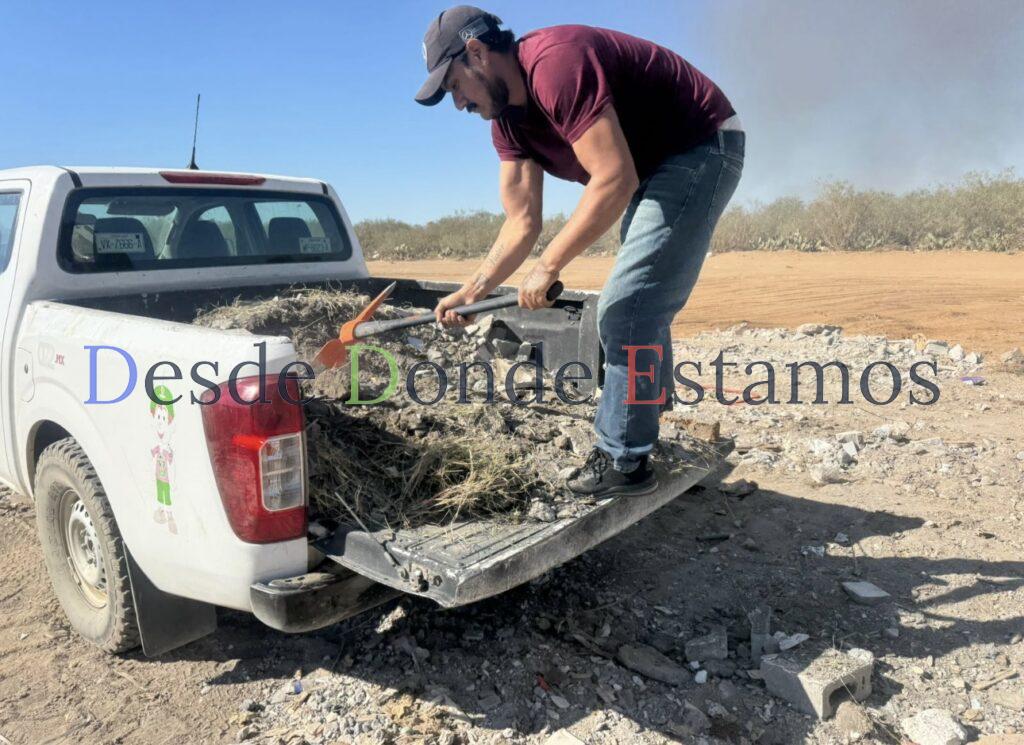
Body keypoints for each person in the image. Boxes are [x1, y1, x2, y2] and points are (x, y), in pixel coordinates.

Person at [418, 6, 744, 498]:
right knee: (639, 303)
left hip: (698, 144)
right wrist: (472, 290)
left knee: (628, 307)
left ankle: (624, 460)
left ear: (478, 53)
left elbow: (614, 178)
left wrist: (547, 267)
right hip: (651, 164)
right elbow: (521, 221)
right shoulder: (506, 123)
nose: (457, 102)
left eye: (454, 85)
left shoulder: (556, 64)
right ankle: (644, 423)